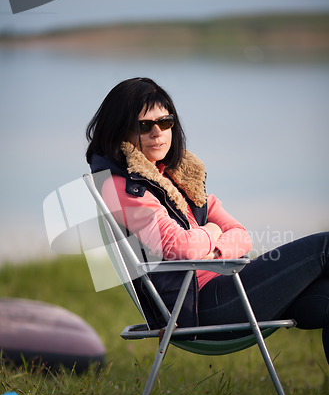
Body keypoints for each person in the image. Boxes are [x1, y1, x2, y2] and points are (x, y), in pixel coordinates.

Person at [86, 77, 329, 363]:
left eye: (165, 122)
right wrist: (213, 230)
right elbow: (179, 248)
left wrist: (210, 249)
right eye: (144, 125)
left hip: (228, 286)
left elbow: (241, 235)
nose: (158, 133)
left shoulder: (179, 180)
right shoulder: (123, 187)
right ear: (120, 131)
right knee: (324, 246)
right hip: (199, 307)